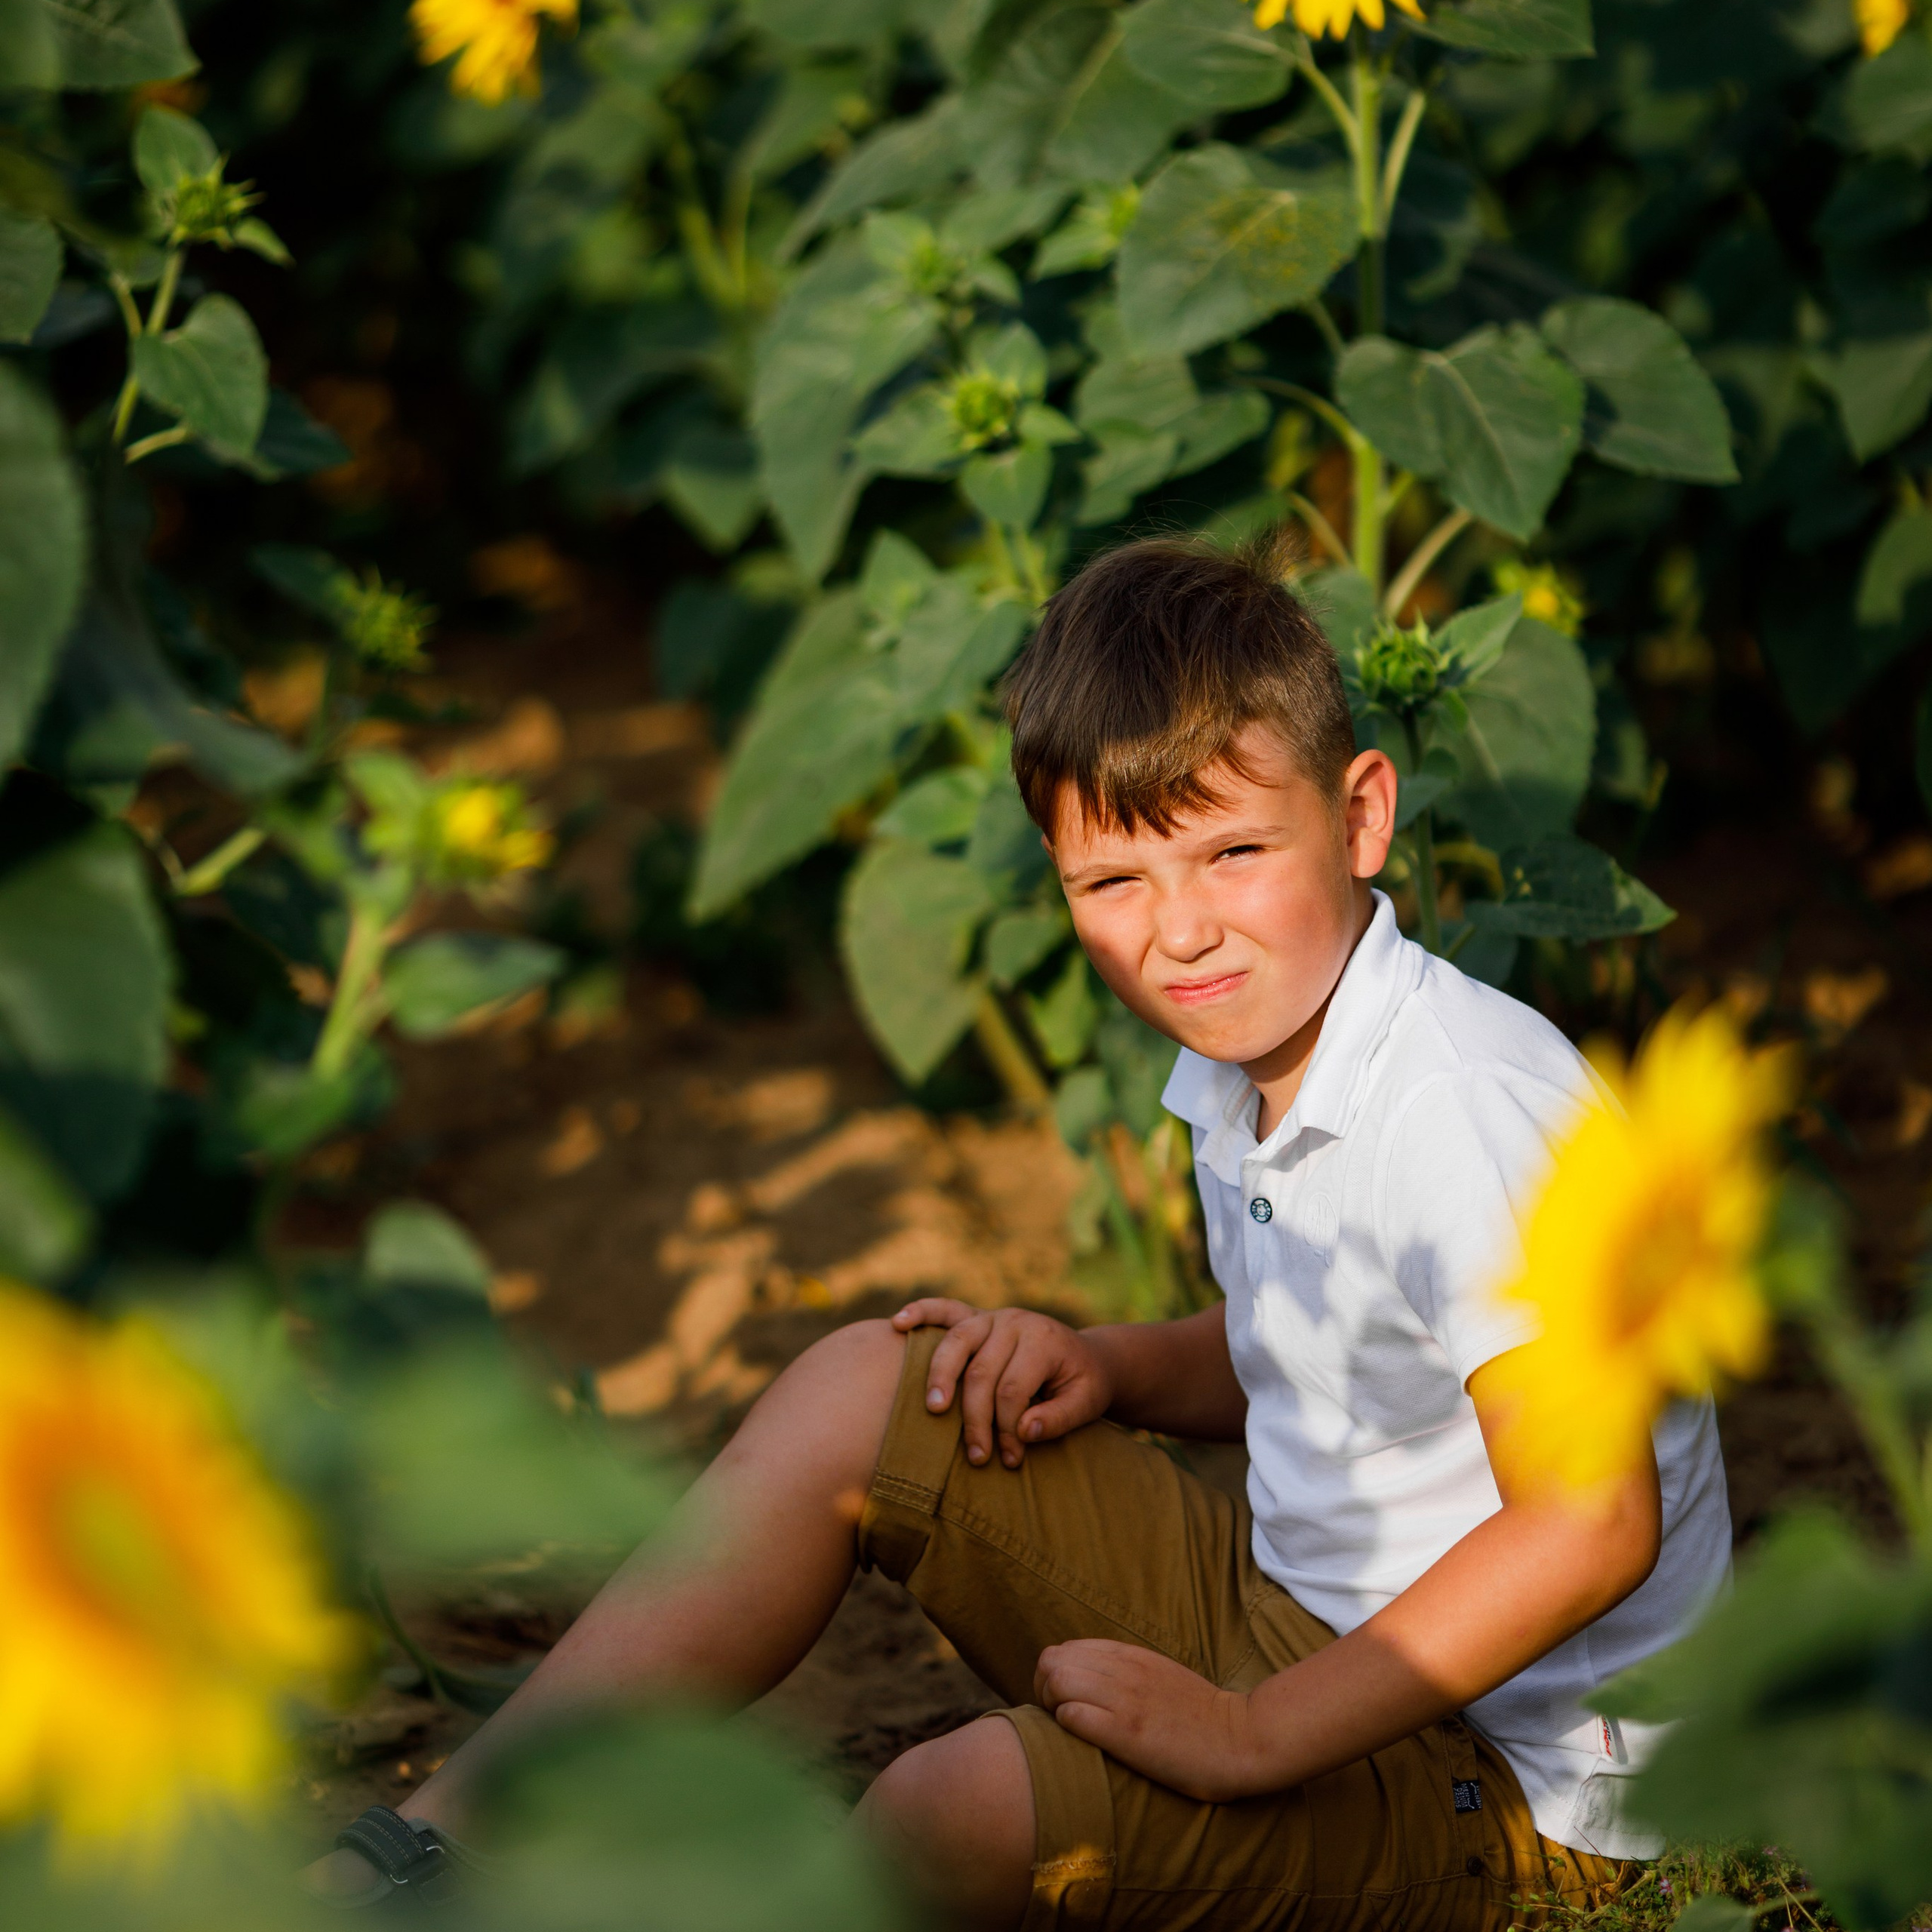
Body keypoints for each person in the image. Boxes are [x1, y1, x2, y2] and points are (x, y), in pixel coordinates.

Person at [310, 535, 1730, 1929]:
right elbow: (1343, 1354)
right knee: (877, 1387)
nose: (1179, 933)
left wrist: (1254, 1733)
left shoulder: (1460, 1109)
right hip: (1308, 1625)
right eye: (1115, 884)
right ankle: (449, 1841)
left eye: (1234, 852)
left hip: (1518, 1786)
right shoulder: (1270, 1048)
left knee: (955, 1815)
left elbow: (1589, 1523)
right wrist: (1111, 1366)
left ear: (1362, 816)